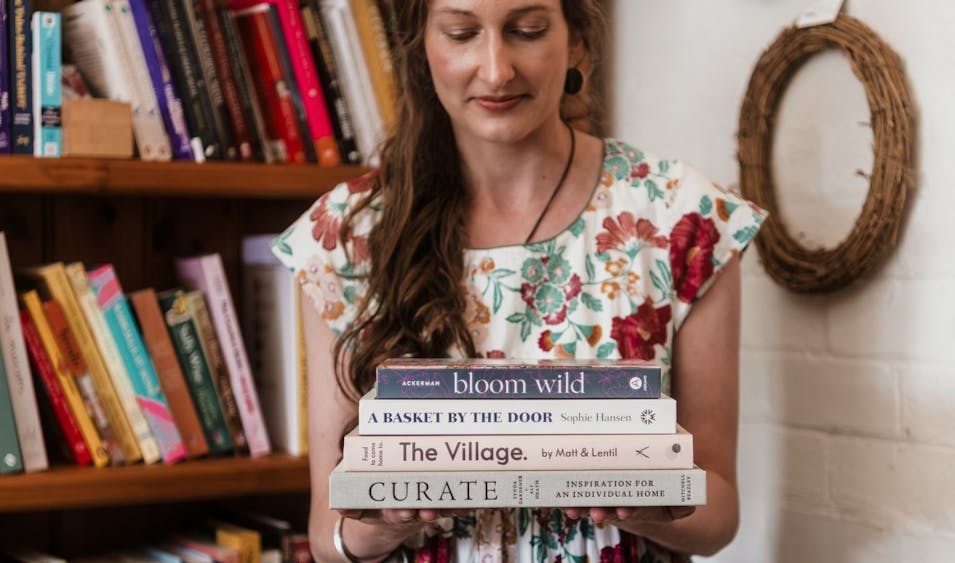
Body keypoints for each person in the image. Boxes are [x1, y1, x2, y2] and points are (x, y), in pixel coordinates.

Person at [271, 1, 767, 561]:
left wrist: (656, 505)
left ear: (576, 40)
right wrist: (384, 524)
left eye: (526, 31)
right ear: (421, 46)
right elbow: (327, 536)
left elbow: (719, 515)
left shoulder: (680, 217)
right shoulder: (346, 235)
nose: (497, 68)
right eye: (461, 33)